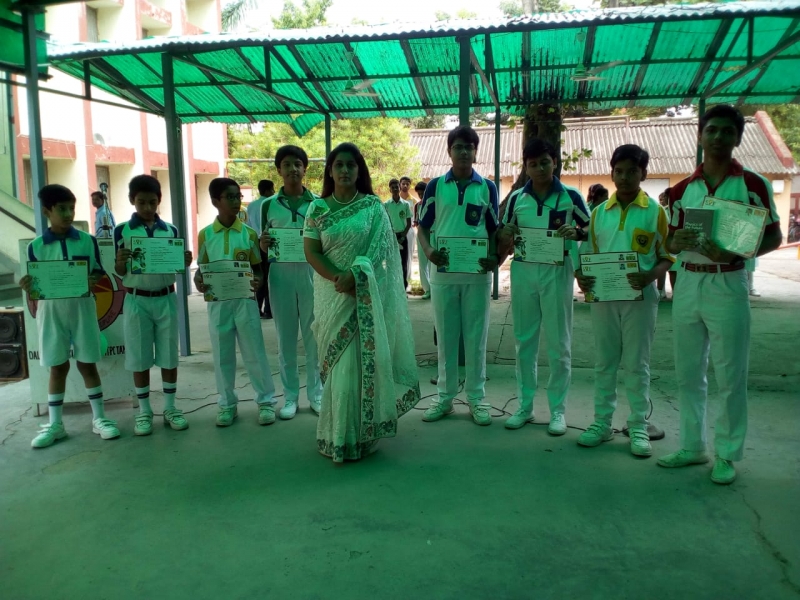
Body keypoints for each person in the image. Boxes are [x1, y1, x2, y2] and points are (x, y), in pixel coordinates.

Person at [658, 104, 782, 485]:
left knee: (730, 371)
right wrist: (676, 241)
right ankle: (693, 445)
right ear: (700, 135)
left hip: (728, 281)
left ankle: (726, 453)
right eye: (711, 130)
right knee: (688, 371)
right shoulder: (682, 189)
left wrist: (736, 254)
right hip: (688, 282)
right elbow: (670, 242)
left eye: (727, 131)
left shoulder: (753, 185)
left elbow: (774, 236)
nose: (718, 137)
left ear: (738, 137)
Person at [303, 142, 420, 462]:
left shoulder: (371, 207)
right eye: (338, 165)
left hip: (363, 295)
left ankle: (359, 434)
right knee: (338, 365)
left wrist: (356, 276)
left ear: (359, 171)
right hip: (331, 295)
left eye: (351, 165)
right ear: (330, 171)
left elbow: (382, 252)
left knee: (358, 364)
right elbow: (311, 251)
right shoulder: (317, 209)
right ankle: (336, 434)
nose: (344, 170)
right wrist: (339, 277)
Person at [575, 144, 674, 458]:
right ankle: (601, 423)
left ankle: (638, 425)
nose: (625, 177)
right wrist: (581, 277)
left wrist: (650, 276)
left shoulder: (656, 212)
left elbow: (667, 256)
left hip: (640, 298)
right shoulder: (599, 213)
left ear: (644, 173)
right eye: (619, 171)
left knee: (636, 363)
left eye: (632, 171)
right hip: (604, 298)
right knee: (605, 362)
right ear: (612, 173)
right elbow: (586, 255)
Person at [496, 138, 590, 434]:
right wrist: (506, 232)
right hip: (524, 271)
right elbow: (502, 231)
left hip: (557, 271)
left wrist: (576, 233)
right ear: (526, 167)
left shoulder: (571, 196)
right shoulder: (517, 198)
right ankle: (525, 406)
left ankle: (557, 411)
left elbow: (590, 229)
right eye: (533, 164)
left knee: (559, 343)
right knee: (524, 340)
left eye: (544, 162)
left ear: (555, 163)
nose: (539, 169)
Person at [21, 184, 120, 448]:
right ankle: (56, 424)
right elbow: (36, 281)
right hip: (51, 311)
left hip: (82, 308)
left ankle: (99, 418)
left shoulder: (87, 240)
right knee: (57, 366)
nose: (68, 214)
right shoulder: (36, 246)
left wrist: (92, 279)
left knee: (87, 363)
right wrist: (29, 285)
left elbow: (98, 270)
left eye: (71, 209)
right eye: (61, 209)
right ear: (47, 211)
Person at [418, 125, 500, 426]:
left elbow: (494, 229)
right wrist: (428, 251)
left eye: (469, 147)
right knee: (447, 337)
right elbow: (423, 227)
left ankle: (477, 398)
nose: (464, 152)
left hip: (477, 275)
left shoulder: (487, 188)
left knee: (477, 337)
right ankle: (445, 397)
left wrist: (494, 258)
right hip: (443, 275)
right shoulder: (435, 186)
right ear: (449, 151)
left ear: (475, 152)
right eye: (458, 147)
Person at [194, 178, 278, 427]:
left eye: (237, 197)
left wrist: (258, 281)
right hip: (218, 303)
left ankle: (265, 401)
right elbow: (201, 270)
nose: (235, 202)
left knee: (255, 352)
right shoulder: (206, 235)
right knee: (222, 355)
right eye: (229, 197)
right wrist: (199, 282)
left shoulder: (248, 234)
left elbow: (257, 268)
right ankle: (227, 403)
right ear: (215, 201)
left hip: (245, 301)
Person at [113, 175, 193, 436]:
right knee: (139, 357)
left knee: (169, 354)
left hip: (166, 297)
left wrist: (184, 260)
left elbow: (176, 266)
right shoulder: (122, 231)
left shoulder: (170, 230)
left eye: (152, 202)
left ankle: (170, 407)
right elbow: (118, 270)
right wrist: (121, 261)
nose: (147, 208)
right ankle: (145, 411)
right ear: (132, 200)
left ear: (159, 200)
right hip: (136, 299)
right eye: (141, 202)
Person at [258, 145, 323, 419]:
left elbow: (326, 240)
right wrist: (262, 244)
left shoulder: (318, 203)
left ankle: (316, 395)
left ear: (305, 168)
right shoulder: (268, 205)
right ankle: (290, 397)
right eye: (287, 164)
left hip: (311, 273)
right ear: (279, 170)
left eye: (297, 164)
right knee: (285, 338)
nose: (293, 169)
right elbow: (264, 241)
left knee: (314, 337)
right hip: (280, 275)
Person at [246, 179, 275, 319]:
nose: (274, 192)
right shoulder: (272, 204)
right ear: (268, 190)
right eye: (272, 189)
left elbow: (248, 225)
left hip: (255, 243)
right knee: (269, 276)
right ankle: (269, 310)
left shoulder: (251, 206)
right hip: (268, 242)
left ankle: (257, 308)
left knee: (258, 276)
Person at [384, 178, 412, 290]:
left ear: (399, 188)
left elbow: (409, 223)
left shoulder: (405, 204)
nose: (395, 189)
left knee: (403, 263)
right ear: (390, 190)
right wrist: (391, 235)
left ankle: (403, 288)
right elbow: (384, 222)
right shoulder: (386, 205)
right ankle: (392, 288)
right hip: (391, 237)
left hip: (402, 237)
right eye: (393, 187)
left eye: (397, 187)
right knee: (391, 262)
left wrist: (403, 236)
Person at [656, 187, 678, 301]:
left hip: (676, 244)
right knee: (663, 268)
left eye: (664, 197)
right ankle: (661, 292)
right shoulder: (662, 210)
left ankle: (675, 293)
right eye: (661, 198)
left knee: (674, 271)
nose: (663, 200)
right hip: (664, 243)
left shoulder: (678, 209)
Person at [413, 181, 431, 299]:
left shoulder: (433, 204)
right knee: (422, 263)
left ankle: (434, 287)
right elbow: (416, 222)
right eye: (419, 194)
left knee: (432, 263)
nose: (420, 196)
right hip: (421, 235)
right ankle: (427, 289)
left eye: (422, 193)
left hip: (433, 235)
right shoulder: (417, 206)